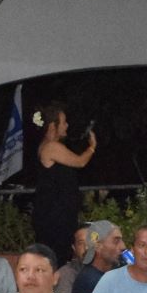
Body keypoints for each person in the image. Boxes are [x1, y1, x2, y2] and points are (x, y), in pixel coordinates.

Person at [31, 102, 95, 266]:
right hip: (54, 217)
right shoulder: (51, 147)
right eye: (64, 122)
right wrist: (92, 148)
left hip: (60, 214)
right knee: (56, 257)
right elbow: (80, 162)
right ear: (53, 126)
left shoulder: (53, 146)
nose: (67, 125)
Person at [71, 219, 126, 293]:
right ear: (97, 245)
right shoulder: (89, 281)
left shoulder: (117, 270)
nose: (123, 246)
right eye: (116, 241)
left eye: (121, 240)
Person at [54, 224, 90, 293]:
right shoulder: (67, 274)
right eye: (81, 243)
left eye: (91, 241)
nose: (86, 247)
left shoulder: (112, 269)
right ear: (74, 248)